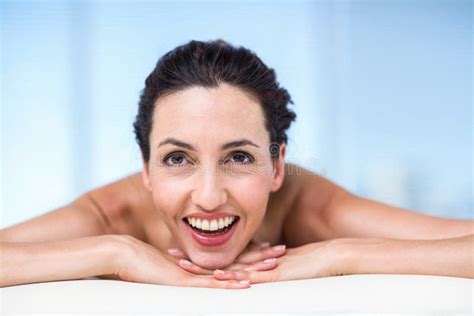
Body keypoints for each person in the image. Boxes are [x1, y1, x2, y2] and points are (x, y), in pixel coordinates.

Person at [1, 39, 472, 289]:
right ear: (145, 168)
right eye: (177, 158)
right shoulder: (108, 215)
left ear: (277, 166)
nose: (208, 197)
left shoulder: (313, 208)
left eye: (240, 157)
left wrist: (339, 254)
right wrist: (115, 252)